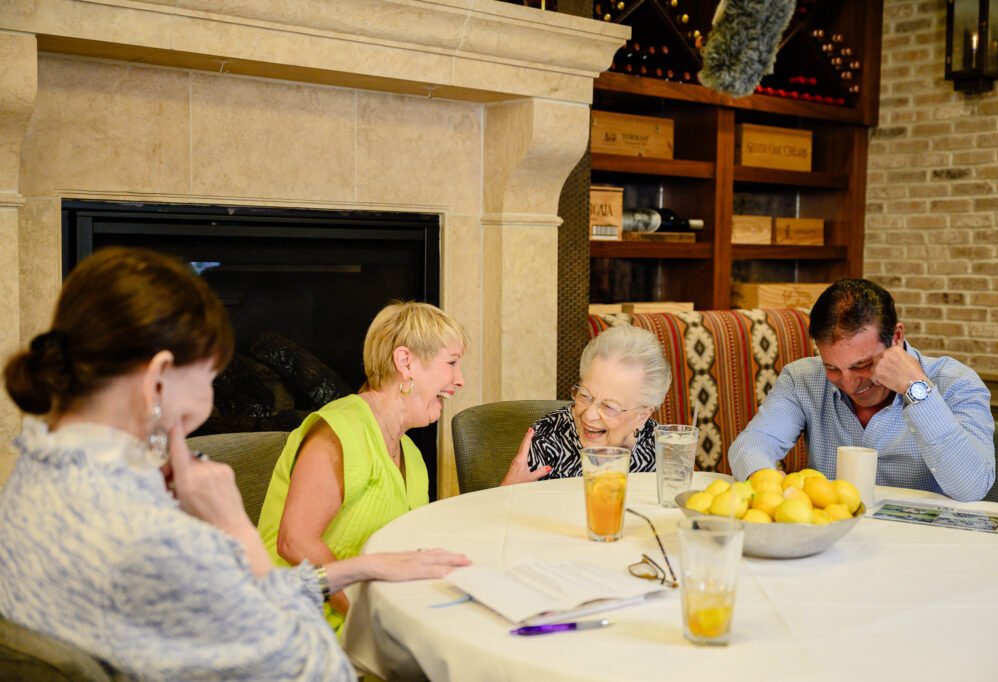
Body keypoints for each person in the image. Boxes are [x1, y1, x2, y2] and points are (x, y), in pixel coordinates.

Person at [0, 247, 469, 680]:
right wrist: (234, 527)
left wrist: (362, 568)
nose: (207, 404)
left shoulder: (35, 478)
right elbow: (322, 671)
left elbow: (245, 598)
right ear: (159, 379)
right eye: (209, 379)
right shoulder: (152, 534)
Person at [257, 300, 468, 634]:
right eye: (452, 363)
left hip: (366, 615)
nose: (460, 380)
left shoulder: (410, 454)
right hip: (300, 626)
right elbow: (294, 543)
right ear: (406, 361)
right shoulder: (339, 432)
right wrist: (372, 622)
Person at [728, 278, 995, 502]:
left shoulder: (957, 383)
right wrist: (765, 483)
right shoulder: (803, 379)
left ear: (897, 338)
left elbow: (971, 488)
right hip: (834, 541)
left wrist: (916, 388)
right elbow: (752, 444)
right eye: (833, 368)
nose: (849, 383)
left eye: (862, 365)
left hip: (929, 547)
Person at [502, 325, 672, 484]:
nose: (589, 415)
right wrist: (507, 494)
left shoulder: (658, 447)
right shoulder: (548, 439)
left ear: (642, 416)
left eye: (609, 407)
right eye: (585, 396)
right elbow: (508, 513)